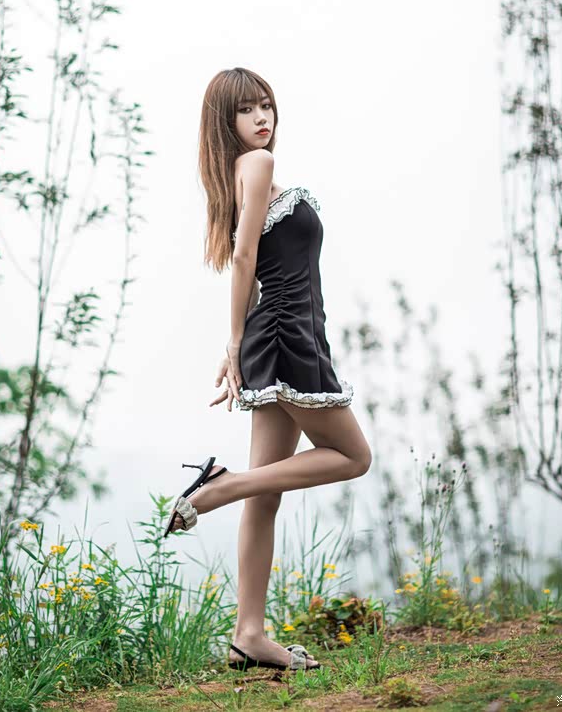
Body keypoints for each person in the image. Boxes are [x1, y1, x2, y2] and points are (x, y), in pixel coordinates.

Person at [164, 67, 373, 673]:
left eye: (267, 106)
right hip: (288, 337)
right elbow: (244, 257)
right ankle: (222, 486)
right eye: (247, 110)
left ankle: (248, 635)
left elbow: (254, 265)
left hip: (279, 333)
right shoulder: (255, 165)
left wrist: (239, 342)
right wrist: (235, 344)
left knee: (268, 490)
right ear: (224, 122)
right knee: (353, 457)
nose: (263, 118)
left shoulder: (241, 174)